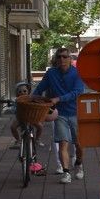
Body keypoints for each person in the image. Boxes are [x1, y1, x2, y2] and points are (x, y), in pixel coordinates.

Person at [34, 48, 87, 184]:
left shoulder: (77, 73)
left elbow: (77, 92)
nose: (62, 60)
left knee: (79, 144)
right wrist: (31, 98)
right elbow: (40, 88)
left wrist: (59, 99)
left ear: (70, 59)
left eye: (65, 57)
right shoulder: (51, 74)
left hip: (76, 112)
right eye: (59, 57)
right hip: (60, 114)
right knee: (63, 143)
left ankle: (79, 164)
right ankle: (66, 172)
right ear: (56, 59)